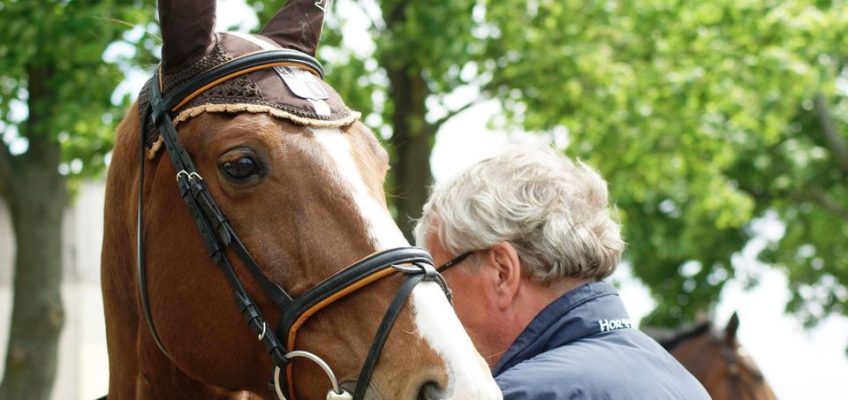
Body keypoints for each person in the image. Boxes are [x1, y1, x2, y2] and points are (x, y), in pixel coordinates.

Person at [415, 145, 710, 399]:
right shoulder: (684, 383)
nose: (431, 306)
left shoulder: (521, 393)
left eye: (437, 280)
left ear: (503, 271)